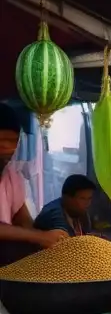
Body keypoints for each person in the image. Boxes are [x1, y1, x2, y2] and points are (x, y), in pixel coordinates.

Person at [0, 103, 65, 259]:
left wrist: (52, 239)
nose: (7, 148)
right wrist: (40, 237)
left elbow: (25, 223)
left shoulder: (11, 177)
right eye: (1, 140)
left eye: (13, 141)